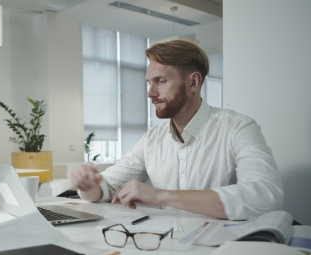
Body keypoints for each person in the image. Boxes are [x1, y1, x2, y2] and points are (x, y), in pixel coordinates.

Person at [71, 40, 283, 221]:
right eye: (149, 83)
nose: (150, 93)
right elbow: (105, 188)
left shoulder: (237, 128)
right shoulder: (152, 140)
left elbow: (265, 196)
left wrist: (161, 196)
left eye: (161, 81)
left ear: (193, 82)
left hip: (223, 253)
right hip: (167, 248)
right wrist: (88, 186)